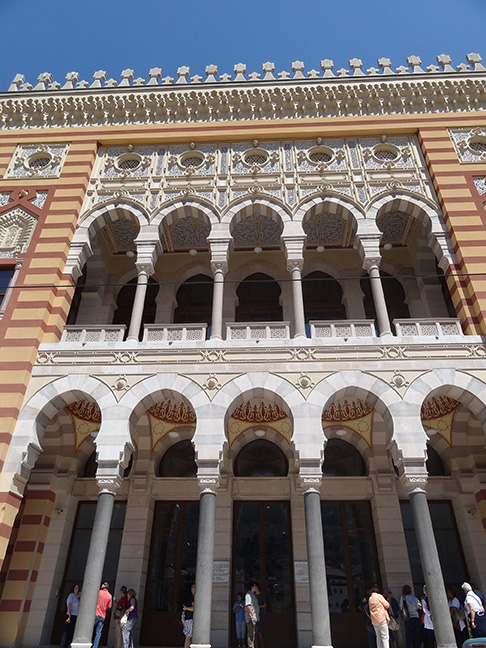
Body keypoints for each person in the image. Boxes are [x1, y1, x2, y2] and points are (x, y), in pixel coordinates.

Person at [60, 584, 81, 648]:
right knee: (67, 631)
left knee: (72, 631)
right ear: (73, 588)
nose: (76, 589)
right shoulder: (71, 595)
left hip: (75, 615)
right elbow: (69, 605)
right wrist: (69, 616)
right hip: (70, 615)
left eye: (77, 588)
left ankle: (68, 644)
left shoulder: (77, 596)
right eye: (75, 588)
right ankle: (63, 645)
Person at [92, 581, 112, 648]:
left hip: (95, 614)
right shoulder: (109, 596)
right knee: (98, 633)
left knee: (90, 630)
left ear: (103, 586)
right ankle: (95, 646)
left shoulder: (98, 593)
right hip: (103, 615)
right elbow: (109, 606)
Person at [245, 581, 260, 648]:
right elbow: (248, 605)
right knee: (251, 634)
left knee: (253, 634)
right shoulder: (248, 595)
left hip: (254, 618)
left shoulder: (254, 595)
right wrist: (253, 615)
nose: (256, 587)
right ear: (253, 586)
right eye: (256, 586)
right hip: (250, 618)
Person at [182, 583, 195, 648]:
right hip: (188, 619)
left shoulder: (195, 598)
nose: (192, 588)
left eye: (193, 587)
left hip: (190, 619)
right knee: (187, 636)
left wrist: (186, 608)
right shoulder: (192, 597)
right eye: (192, 587)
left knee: (188, 636)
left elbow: (194, 608)